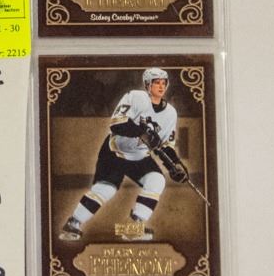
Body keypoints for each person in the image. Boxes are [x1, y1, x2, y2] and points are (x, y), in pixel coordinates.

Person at [59, 67, 189, 243]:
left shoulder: (170, 113)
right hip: (115, 152)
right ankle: (73, 224)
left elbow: (166, 145)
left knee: (157, 180)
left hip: (140, 157)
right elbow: (116, 124)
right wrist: (141, 132)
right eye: (156, 82)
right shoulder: (135, 97)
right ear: (147, 85)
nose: (161, 86)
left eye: (163, 83)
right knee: (106, 189)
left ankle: (134, 226)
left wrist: (175, 164)